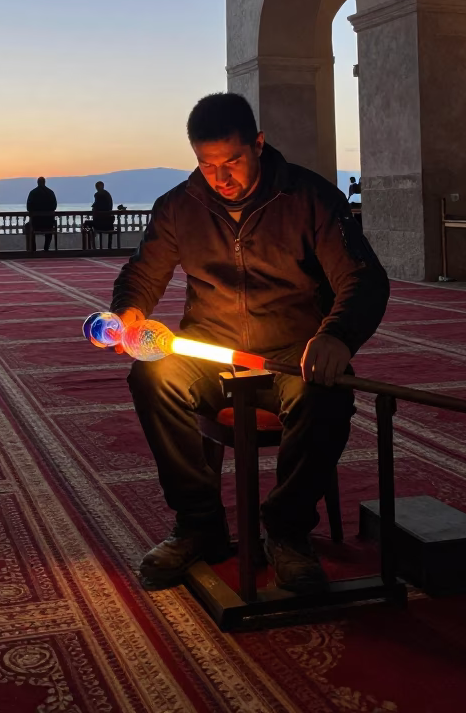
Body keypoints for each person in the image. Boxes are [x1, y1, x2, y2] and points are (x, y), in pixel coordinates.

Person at [111, 92, 389, 595]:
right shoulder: (180, 206)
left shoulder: (310, 199)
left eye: (233, 161)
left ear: (258, 145)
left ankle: (287, 531)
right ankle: (199, 523)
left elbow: (363, 278)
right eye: (207, 164)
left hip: (292, 354)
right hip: (206, 350)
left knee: (324, 396)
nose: (221, 178)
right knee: (150, 374)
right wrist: (130, 311)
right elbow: (142, 273)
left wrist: (337, 336)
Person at [26, 177, 58, 252]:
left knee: (28, 227)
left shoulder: (33, 193)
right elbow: (54, 206)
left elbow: (28, 207)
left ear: (37, 182)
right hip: (48, 223)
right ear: (45, 182)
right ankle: (46, 248)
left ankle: (33, 248)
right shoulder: (50, 192)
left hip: (35, 223)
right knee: (49, 231)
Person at [91, 180, 115, 248]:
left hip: (100, 223)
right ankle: (109, 247)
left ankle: (93, 247)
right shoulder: (107, 194)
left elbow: (96, 206)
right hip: (109, 223)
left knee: (87, 226)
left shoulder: (98, 195)